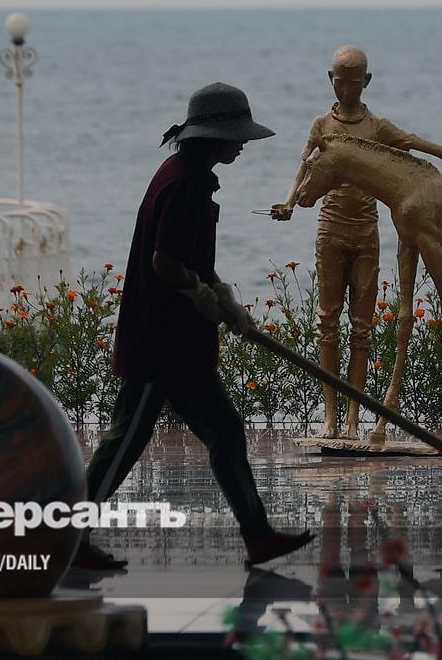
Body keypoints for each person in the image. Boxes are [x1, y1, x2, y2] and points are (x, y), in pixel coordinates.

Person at [72, 82, 314, 570]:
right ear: (214, 136)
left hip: (182, 346)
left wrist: (223, 297)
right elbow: (164, 261)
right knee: (125, 443)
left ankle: (258, 537)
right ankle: (68, 537)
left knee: (225, 430)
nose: (243, 143)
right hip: (159, 343)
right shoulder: (183, 182)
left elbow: (192, 258)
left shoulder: (194, 177)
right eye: (238, 135)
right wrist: (202, 296)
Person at [272, 45, 442, 440]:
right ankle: (329, 417)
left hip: (366, 229)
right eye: (340, 83)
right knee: (327, 322)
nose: (347, 90)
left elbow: (426, 146)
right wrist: (289, 202)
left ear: (367, 81)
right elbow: (306, 167)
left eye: (354, 83)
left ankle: (353, 419)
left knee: (362, 328)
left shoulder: (378, 128)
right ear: (330, 80)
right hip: (330, 228)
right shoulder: (321, 125)